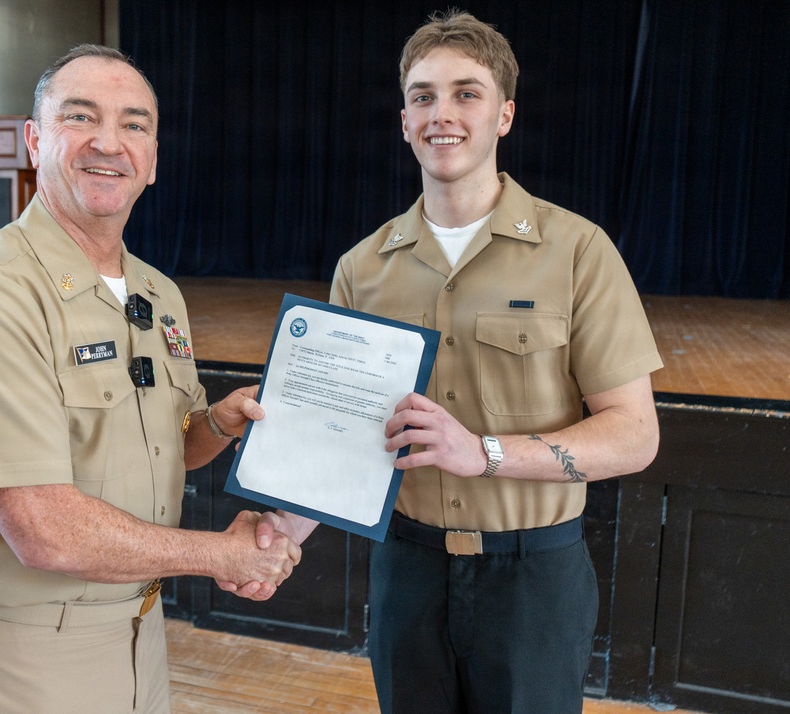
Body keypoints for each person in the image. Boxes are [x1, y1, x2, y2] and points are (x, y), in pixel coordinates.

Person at [253, 9, 664, 713]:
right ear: (404, 118)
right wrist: (273, 539)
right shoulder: (362, 267)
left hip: (533, 576)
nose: (443, 113)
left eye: (466, 93)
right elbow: (345, 441)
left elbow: (634, 434)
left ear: (504, 115)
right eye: (423, 95)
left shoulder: (578, 251)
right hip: (407, 569)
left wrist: (485, 452)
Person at [0, 44, 300, 714]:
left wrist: (216, 423)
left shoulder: (157, 293)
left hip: (140, 634)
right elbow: (43, 529)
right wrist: (221, 556)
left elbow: (162, 446)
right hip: (31, 657)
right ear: (35, 140)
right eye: (80, 117)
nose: (108, 143)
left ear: (152, 159)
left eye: (134, 124)